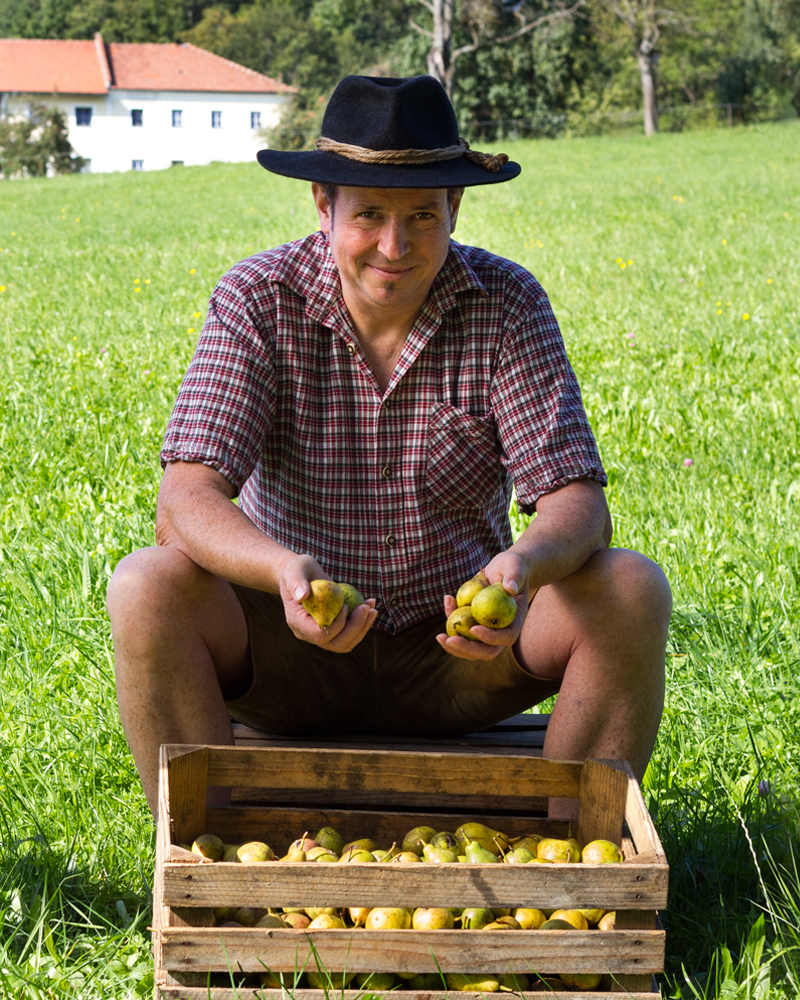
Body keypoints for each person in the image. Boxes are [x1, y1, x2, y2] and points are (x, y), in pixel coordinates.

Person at [107, 74, 671, 818]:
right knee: (146, 585)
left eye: (421, 217)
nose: (394, 246)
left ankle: (572, 853)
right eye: (368, 214)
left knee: (631, 588)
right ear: (324, 205)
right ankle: (213, 855)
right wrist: (282, 572)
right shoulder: (256, 297)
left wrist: (522, 568)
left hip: (462, 656)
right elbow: (184, 502)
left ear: (455, 209)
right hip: (290, 654)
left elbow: (578, 503)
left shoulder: (507, 303)